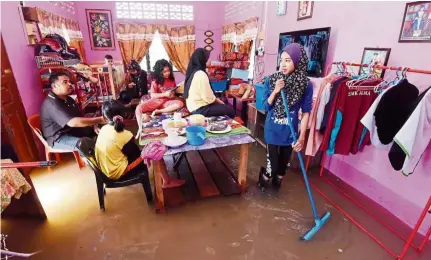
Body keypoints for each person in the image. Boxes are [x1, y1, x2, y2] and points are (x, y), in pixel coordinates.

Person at [257, 43, 313, 190]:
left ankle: (276, 191)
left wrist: (301, 137)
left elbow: (306, 111)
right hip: (272, 130)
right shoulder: (271, 79)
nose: (283, 64)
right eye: (281, 60)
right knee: (272, 168)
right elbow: (265, 106)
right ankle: (262, 186)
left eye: (288, 60)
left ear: (298, 61)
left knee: (282, 171)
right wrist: (275, 91)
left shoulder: (306, 84)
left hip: (290, 133)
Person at [95, 100, 185, 187]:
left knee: (150, 146)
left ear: (105, 117)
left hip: (105, 170)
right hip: (119, 173)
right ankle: (166, 181)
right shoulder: (125, 135)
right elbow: (137, 155)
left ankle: (166, 180)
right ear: (123, 115)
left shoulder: (104, 129)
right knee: (155, 149)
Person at [40, 72, 105, 151]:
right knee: (85, 144)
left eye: (69, 81)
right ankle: (92, 160)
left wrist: (93, 125)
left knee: (102, 129)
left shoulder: (68, 99)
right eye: (65, 82)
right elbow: (73, 122)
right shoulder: (51, 104)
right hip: (58, 137)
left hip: (71, 130)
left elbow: (79, 117)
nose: (70, 84)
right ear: (54, 86)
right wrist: (101, 119)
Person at [184, 48, 235, 118]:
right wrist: (220, 102)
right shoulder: (201, 74)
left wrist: (218, 101)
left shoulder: (194, 72)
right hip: (199, 109)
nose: (210, 61)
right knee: (230, 110)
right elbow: (207, 98)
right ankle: (230, 127)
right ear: (202, 60)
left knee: (222, 105)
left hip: (192, 106)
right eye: (207, 59)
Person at [135, 59, 184, 125]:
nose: (167, 73)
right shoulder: (155, 81)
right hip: (156, 101)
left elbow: (173, 91)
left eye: (168, 70)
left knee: (180, 104)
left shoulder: (171, 80)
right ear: (159, 72)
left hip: (167, 103)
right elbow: (152, 95)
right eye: (164, 72)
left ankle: (159, 111)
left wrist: (172, 94)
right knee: (139, 108)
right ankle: (140, 127)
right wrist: (164, 94)